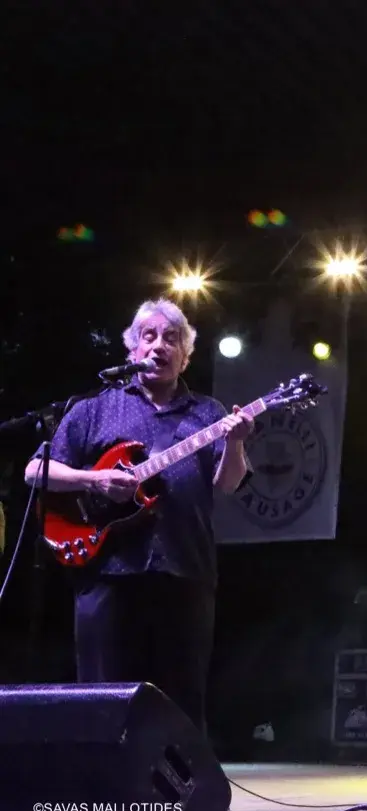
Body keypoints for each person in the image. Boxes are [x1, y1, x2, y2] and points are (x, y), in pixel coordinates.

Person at [23, 299, 254, 733]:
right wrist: (93, 480)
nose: (159, 345)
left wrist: (237, 443)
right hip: (106, 572)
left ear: (186, 355)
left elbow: (228, 484)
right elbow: (35, 471)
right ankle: (104, 795)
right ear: (131, 350)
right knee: (102, 699)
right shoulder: (94, 408)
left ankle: (183, 799)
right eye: (149, 336)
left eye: (172, 339)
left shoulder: (209, 413)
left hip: (184, 570)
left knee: (182, 699)